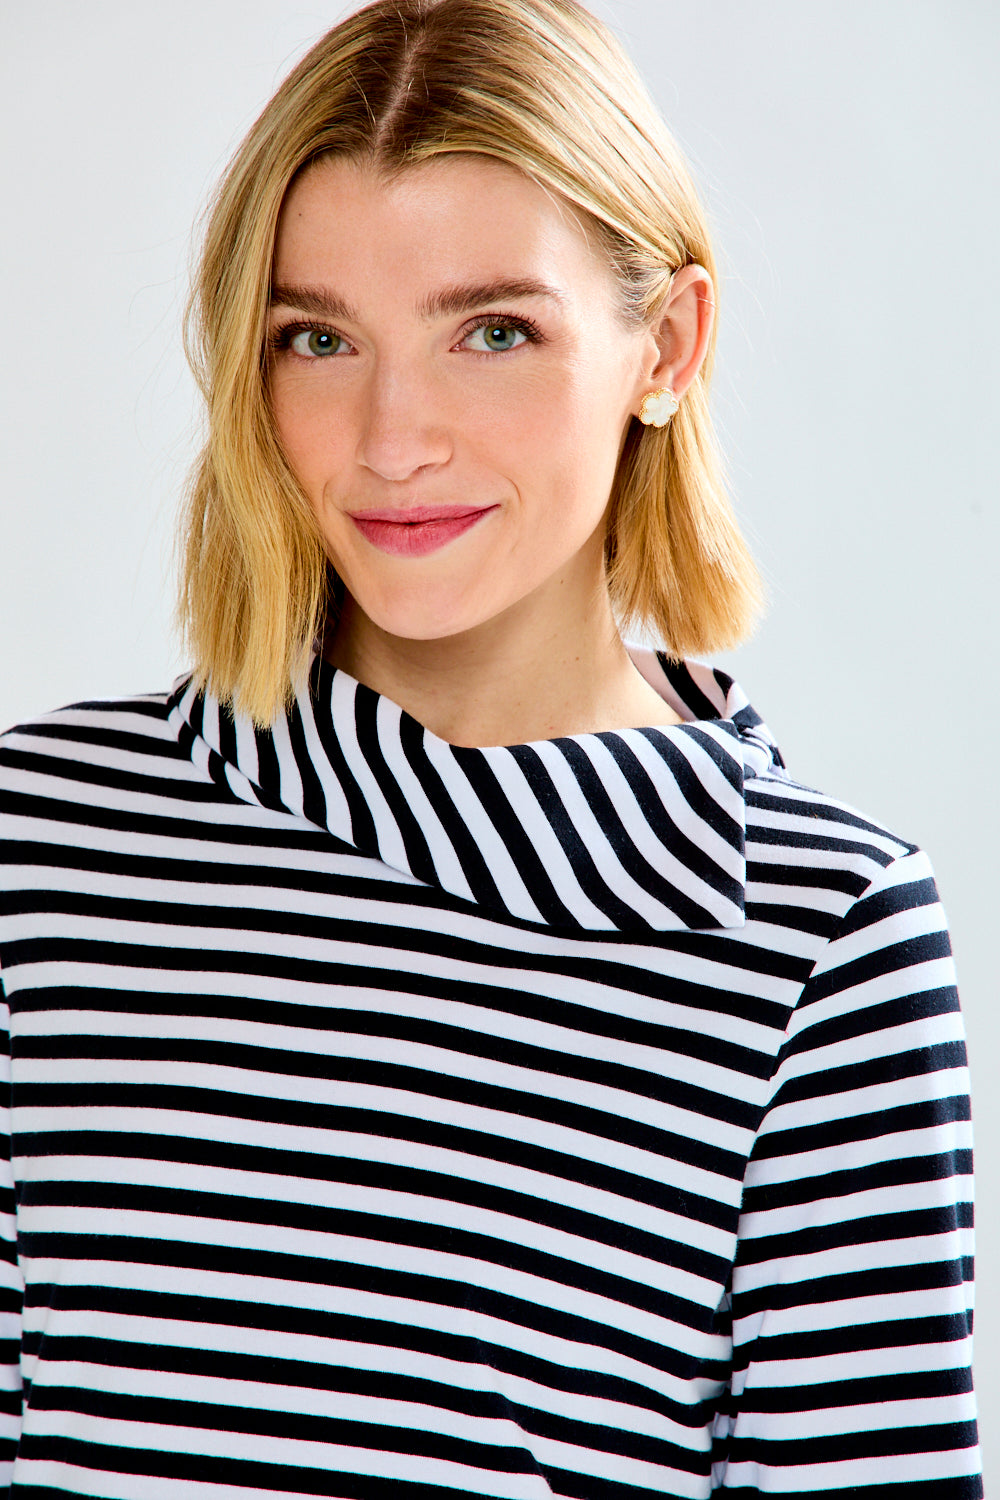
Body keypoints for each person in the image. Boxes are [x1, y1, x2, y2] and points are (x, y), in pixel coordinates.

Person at [0, 0, 980, 1495]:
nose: (392, 437)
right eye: (318, 338)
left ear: (668, 344)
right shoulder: (43, 845)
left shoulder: (816, 939)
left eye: (495, 331)